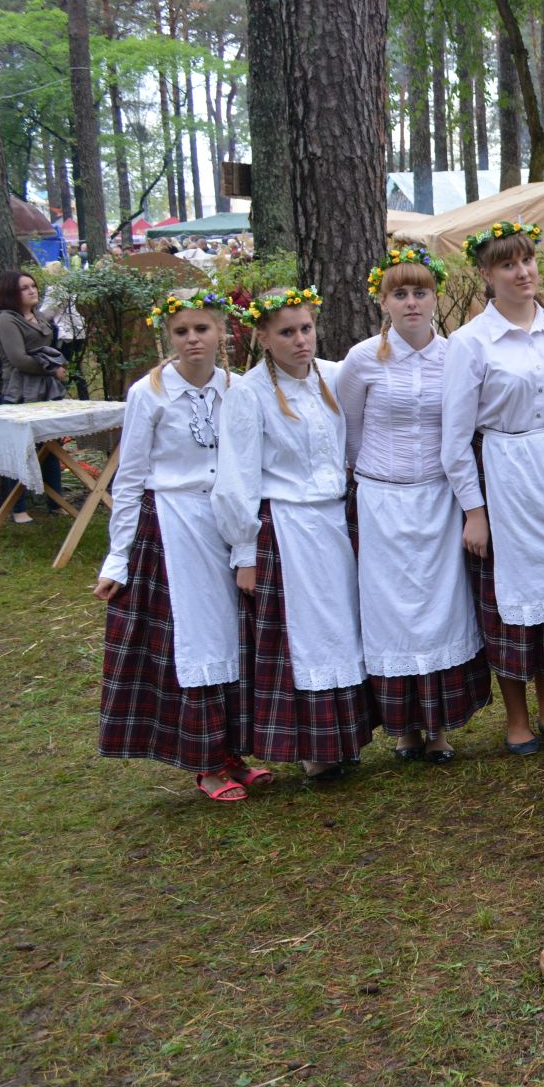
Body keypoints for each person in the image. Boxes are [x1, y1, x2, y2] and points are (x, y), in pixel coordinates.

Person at [96, 289, 259, 801]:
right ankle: (205, 763)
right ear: (167, 337)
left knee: (234, 636)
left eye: (202, 329)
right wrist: (117, 558)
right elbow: (129, 478)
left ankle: (233, 752)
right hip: (173, 526)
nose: (192, 339)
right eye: (181, 331)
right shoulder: (149, 393)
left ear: (221, 332)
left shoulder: (236, 389)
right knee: (194, 641)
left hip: (226, 524)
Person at [337, 248, 490, 765]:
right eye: (399, 294)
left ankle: (439, 725)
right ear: (383, 302)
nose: (411, 303)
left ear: (435, 297)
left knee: (440, 609)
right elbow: (350, 429)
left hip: (438, 497)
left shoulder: (455, 355)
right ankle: (403, 728)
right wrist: (373, 477)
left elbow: (463, 426)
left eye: (420, 292)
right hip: (382, 499)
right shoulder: (363, 359)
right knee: (392, 612)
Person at [214, 287, 372, 783]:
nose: (301, 340)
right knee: (307, 637)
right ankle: (314, 748)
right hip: (288, 527)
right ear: (263, 337)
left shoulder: (332, 375)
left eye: (306, 328)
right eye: (286, 332)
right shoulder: (249, 393)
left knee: (344, 627)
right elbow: (236, 475)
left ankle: (345, 736)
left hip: (335, 522)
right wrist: (245, 551)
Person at [442, 221, 544, 756]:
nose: (522, 272)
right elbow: (454, 438)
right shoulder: (470, 342)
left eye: (527, 260)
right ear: (486, 274)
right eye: (507, 264)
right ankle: (516, 717)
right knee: (509, 600)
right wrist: (474, 511)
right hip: (503, 473)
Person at [0, 269, 66, 522]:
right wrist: (53, 368)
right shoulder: (6, 320)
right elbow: (19, 359)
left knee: (51, 448)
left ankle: (56, 503)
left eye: (33, 285)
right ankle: (18, 509)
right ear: (11, 293)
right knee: (20, 452)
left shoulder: (38, 316)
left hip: (46, 390)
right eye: (25, 288)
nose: (32, 290)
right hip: (19, 392)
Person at [39, 265, 90, 399]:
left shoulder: (55, 289)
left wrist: (34, 317)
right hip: (78, 332)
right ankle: (83, 395)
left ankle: (58, 394)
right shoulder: (71, 288)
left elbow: (48, 312)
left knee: (58, 365)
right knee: (75, 366)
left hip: (64, 334)